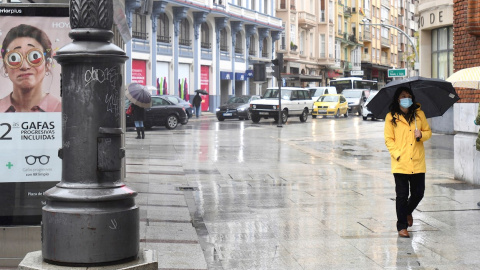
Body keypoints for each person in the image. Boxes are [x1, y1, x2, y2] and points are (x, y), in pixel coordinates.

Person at [384, 86, 432, 238]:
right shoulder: (391, 118)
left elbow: (428, 132)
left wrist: (421, 134)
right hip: (401, 163)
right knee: (402, 196)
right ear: (398, 99)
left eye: (409, 96)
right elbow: (388, 139)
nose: (407, 98)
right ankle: (402, 227)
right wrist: (397, 154)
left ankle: (408, 212)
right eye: (403, 96)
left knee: (419, 193)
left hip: (417, 161)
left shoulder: (419, 115)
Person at [0, 24, 61, 112]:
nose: (25, 66)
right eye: (14, 58)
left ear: (47, 64)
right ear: (5, 66)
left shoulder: (61, 111)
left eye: (34, 57)